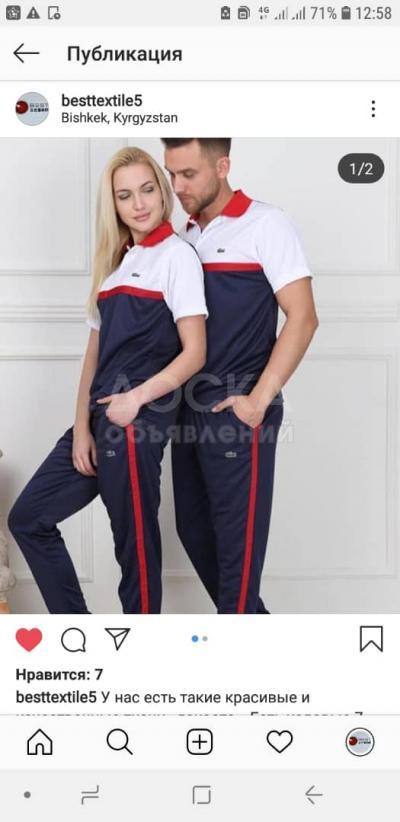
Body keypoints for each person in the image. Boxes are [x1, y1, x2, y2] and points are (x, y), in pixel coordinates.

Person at [8, 146, 208, 614]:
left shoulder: (177, 257)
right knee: (28, 519)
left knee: (134, 546)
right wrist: (81, 429)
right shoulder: (113, 266)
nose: (139, 204)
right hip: (100, 419)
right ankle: (79, 630)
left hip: (138, 422)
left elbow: (195, 352)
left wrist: (135, 400)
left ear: (162, 193)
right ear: (113, 204)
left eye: (147, 190)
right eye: (125, 195)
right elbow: (92, 358)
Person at [163, 137, 318, 614]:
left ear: (223, 166)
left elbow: (303, 317)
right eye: (171, 174)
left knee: (237, 551)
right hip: (188, 404)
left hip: (239, 404)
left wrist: (257, 401)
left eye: (188, 174)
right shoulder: (185, 235)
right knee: (193, 530)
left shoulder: (267, 224)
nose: (177, 186)